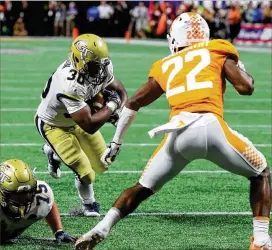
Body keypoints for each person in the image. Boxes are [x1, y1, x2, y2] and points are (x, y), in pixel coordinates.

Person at [75, 13, 271, 250]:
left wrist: (116, 142)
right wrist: (240, 67)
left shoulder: (165, 64)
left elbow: (133, 102)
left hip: (177, 134)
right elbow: (246, 87)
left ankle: (101, 228)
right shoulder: (217, 48)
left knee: (141, 188)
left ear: (175, 38)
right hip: (210, 126)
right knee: (261, 172)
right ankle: (261, 241)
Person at [35, 34, 127, 217]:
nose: (99, 70)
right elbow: (90, 125)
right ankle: (89, 204)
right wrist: (111, 106)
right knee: (86, 173)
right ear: (78, 60)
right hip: (54, 125)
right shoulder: (69, 82)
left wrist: (118, 110)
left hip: (79, 117)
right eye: (93, 66)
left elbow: (121, 91)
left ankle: (53, 153)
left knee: (103, 163)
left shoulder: (103, 66)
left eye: (100, 64)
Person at [0, 159, 75, 244]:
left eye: (27, 193)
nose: (23, 200)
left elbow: (48, 202)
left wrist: (58, 231)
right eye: (17, 195)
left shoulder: (41, 194)